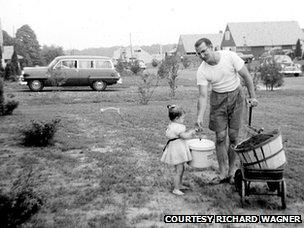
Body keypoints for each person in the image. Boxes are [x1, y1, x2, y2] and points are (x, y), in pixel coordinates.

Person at [194, 38, 258, 184]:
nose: (202, 55)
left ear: (211, 47)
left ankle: (231, 172)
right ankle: (222, 173)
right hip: (218, 100)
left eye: (204, 51)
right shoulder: (202, 71)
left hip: (237, 96)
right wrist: (199, 117)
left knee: (234, 137)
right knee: (221, 137)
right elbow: (203, 96)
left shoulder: (230, 57)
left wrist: (253, 97)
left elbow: (247, 76)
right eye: (199, 54)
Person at [161, 105, 197, 196]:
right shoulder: (178, 127)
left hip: (176, 148)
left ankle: (179, 185)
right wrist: (192, 132)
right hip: (177, 150)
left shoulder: (172, 125)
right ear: (177, 118)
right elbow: (184, 136)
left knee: (181, 168)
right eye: (183, 118)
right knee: (179, 170)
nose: (183, 120)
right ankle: (176, 189)